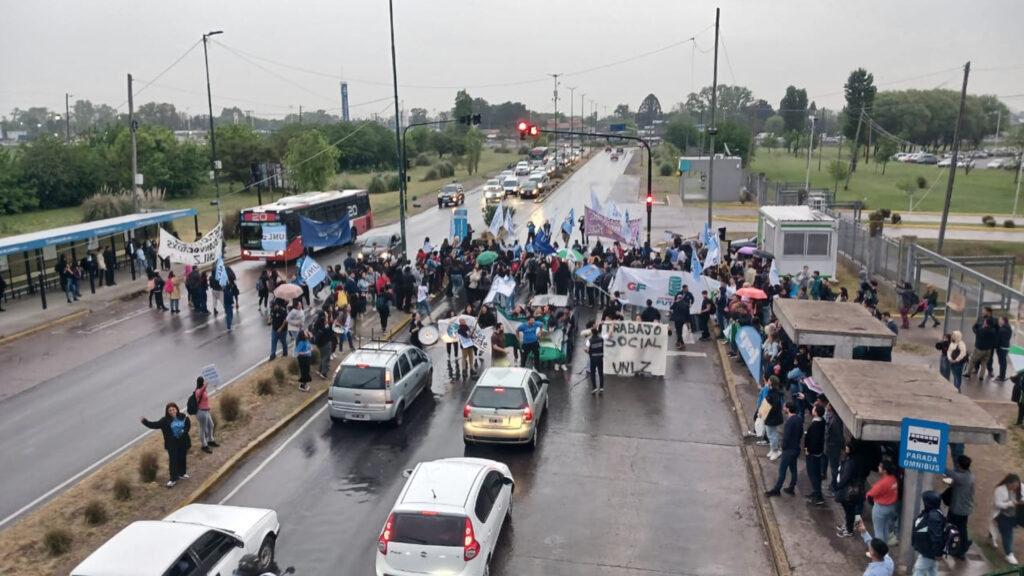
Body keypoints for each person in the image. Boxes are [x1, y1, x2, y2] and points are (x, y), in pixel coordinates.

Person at [141, 403, 191, 488]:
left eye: (173, 409)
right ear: (167, 412)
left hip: (183, 442)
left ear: (177, 409)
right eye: (170, 410)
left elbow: (188, 426)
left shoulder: (183, 416)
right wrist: (145, 421)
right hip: (172, 444)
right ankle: (173, 478)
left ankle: (182, 473)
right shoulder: (164, 420)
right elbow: (155, 425)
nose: (172, 412)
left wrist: (183, 431)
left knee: (182, 458)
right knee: (173, 460)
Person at [765, 401, 802, 497]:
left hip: (788, 450)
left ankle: (776, 489)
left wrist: (783, 447)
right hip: (796, 448)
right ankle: (791, 487)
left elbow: (786, 437)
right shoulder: (798, 419)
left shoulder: (789, 422)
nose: (783, 408)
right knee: (793, 469)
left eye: (785, 407)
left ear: (788, 409)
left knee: (782, 471)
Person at [945, 455, 975, 560]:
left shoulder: (961, 478)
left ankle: (960, 548)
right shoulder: (970, 475)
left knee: (953, 527)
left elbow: (948, 472)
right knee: (962, 528)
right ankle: (963, 545)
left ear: (959, 465)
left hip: (957, 509)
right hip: (965, 509)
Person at [911, 490, 948, 574]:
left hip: (929, 551)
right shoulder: (932, 512)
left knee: (918, 570)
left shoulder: (934, 517)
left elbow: (936, 536)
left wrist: (937, 553)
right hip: (928, 549)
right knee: (932, 569)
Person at [836, 440, 867, 538]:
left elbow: (846, 477)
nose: (846, 448)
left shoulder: (851, 462)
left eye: (847, 446)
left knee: (850, 511)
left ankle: (850, 529)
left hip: (849, 491)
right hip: (855, 490)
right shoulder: (858, 459)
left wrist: (838, 486)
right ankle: (849, 525)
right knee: (852, 511)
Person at [991, 473, 1023, 565]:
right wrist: (1010, 503)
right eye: (1014, 485)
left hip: (1017, 514)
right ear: (1008, 483)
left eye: (1017, 485)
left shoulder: (1020, 487)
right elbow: (997, 504)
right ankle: (1009, 554)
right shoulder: (999, 490)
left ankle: (991, 536)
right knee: (1007, 532)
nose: (1016, 487)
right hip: (1003, 514)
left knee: (1000, 529)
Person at [866, 460, 900, 547]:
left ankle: (878, 551)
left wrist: (869, 498)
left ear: (884, 470)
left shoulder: (883, 483)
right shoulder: (893, 479)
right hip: (891, 507)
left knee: (878, 531)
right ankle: (885, 549)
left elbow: (871, 494)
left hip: (881, 508)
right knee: (885, 529)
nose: (878, 467)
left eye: (880, 466)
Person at [804, 404, 826, 505]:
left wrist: (808, 449)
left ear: (816, 412)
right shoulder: (821, 422)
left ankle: (818, 496)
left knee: (813, 474)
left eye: (814, 409)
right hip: (817, 452)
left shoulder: (816, 425)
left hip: (813, 453)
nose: (812, 409)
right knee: (816, 474)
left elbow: (814, 440)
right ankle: (816, 492)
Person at [192, 377, 217, 454]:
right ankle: (204, 445)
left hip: (206, 411)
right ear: (201, 383)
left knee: (211, 425)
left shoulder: (203, 390)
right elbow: (201, 392)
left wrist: (215, 387)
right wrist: (205, 386)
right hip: (201, 412)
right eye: (203, 382)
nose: (204, 382)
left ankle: (210, 440)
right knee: (203, 429)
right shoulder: (198, 391)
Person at [764, 376, 784, 460]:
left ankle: (775, 450)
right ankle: (772, 449)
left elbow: (773, 407)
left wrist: (765, 411)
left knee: (772, 435)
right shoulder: (772, 392)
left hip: (772, 418)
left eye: (769, 380)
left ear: (771, 382)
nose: (767, 381)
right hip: (770, 417)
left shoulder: (774, 394)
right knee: (770, 434)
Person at [313, 312, 335, 378]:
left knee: (323, 356)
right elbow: (330, 333)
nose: (327, 317)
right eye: (326, 316)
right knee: (326, 357)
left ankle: (320, 370)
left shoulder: (317, 325)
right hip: (325, 343)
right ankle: (324, 373)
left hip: (319, 343)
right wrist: (330, 324)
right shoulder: (325, 328)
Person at [588, 325, 606, 395]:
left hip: (593, 359)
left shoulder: (589, 341)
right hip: (600, 358)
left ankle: (594, 388)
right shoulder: (601, 339)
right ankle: (601, 388)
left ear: (592, 333)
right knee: (600, 373)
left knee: (593, 373)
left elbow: (587, 349)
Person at [995, 317, 1012, 382]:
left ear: (1004, 321)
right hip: (1004, 347)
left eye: (1000, 320)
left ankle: (1002, 377)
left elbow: (999, 339)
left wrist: (996, 346)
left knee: (1002, 363)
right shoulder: (1007, 327)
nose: (998, 321)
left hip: (1002, 348)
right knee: (1002, 362)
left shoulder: (1003, 329)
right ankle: (1001, 375)